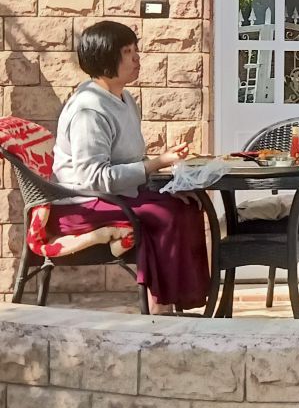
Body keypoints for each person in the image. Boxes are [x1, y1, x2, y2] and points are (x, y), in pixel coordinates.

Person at [52, 20, 211, 313]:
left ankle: (182, 303)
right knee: (164, 214)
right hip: (84, 203)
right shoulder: (89, 109)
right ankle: (159, 308)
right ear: (105, 57)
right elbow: (93, 177)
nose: (137, 58)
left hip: (117, 195)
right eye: (127, 51)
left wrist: (163, 180)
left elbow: (129, 162)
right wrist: (157, 163)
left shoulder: (124, 99)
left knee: (189, 204)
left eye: (135, 50)